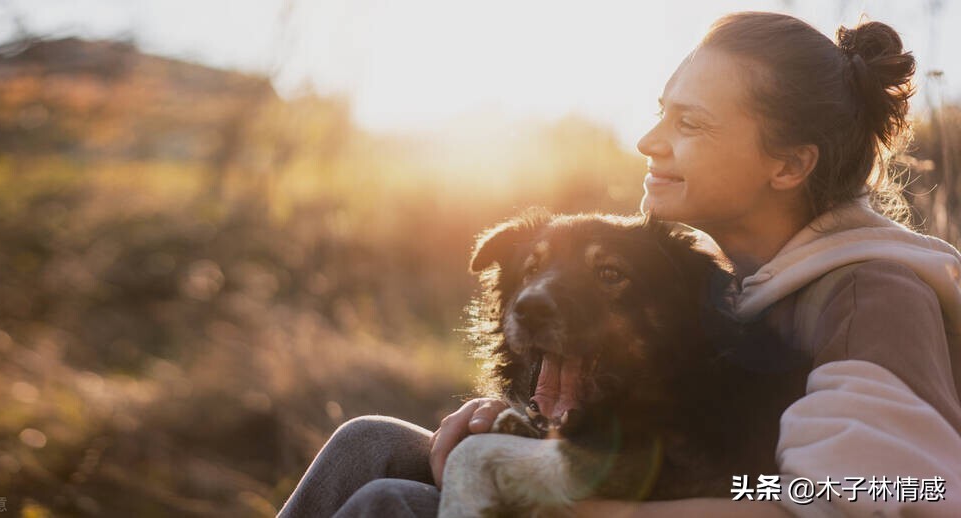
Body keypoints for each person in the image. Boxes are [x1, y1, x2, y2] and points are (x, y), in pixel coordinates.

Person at [277, 12, 961, 517]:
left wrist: (603, 512)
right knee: (369, 445)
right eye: (661, 114)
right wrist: (534, 429)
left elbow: (895, 495)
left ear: (789, 164)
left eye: (689, 125)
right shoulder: (750, 274)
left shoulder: (873, 294)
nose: (647, 141)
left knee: (390, 502)